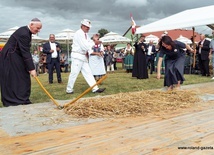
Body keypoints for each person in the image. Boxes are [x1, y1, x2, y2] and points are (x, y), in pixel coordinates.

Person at [0, 18, 42, 107]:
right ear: (31, 25)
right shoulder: (24, 33)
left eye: (40, 28)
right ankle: (15, 100)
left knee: (22, 77)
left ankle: (21, 99)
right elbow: (25, 52)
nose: (39, 30)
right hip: (11, 57)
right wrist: (31, 68)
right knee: (16, 78)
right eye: (37, 28)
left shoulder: (26, 32)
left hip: (15, 56)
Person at [66, 19, 106, 94]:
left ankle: (95, 88)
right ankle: (69, 89)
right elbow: (85, 46)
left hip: (83, 56)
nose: (88, 28)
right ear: (83, 26)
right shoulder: (79, 33)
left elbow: (89, 43)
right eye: (87, 27)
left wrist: (94, 41)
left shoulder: (85, 35)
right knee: (74, 73)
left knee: (88, 73)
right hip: (77, 56)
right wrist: (94, 42)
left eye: (89, 27)